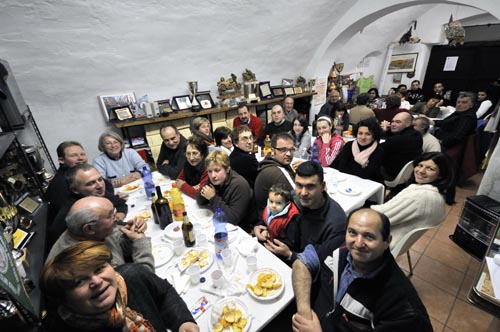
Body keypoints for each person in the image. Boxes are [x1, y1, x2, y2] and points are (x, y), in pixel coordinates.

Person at [292, 208, 432, 332]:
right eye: (352, 232)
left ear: (387, 242)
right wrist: (305, 314)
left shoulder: (401, 305)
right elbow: (302, 262)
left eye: (369, 236)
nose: (358, 244)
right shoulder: (340, 246)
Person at [41, 241, 198, 332]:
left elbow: (163, 294)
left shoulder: (132, 276)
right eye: (79, 281)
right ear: (64, 299)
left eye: (99, 269)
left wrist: (182, 321)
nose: (96, 281)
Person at [255, 161, 346, 265]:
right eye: (299, 185)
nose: (303, 193)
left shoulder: (336, 223)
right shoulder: (294, 197)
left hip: (302, 268)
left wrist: (290, 255)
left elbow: (322, 261)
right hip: (275, 253)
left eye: (310, 186)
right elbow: (274, 212)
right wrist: (261, 226)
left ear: (322, 186)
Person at [47, 196, 154, 273]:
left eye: (114, 212)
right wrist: (140, 242)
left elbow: (118, 247)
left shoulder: (92, 232)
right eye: (110, 216)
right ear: (89, 228)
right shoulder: (82, 261)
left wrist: (128, 236)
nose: (116, 217)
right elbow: (142, 282)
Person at [371, 152, 455, 249]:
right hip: (397, 239)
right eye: (420, 165)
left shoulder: (419, 197)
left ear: (441, 175)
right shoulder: (438, 195)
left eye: (430, 168)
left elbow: (379, 219)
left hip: (383, 243)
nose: (421, 171)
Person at [48, 163, 129, 248]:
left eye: (100, 179)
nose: (100, 186)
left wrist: (117, 219)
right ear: (75, 190)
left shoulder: (95, 193)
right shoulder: (71, 212)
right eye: (91, 183)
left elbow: (121, 203)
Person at [45, 141, 112, 218]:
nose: (80, 158)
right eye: (74, 155)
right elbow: (70, 215)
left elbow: (108, 187)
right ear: (61, 160)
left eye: (82, 154)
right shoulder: (60, 183)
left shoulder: (81, 172)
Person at [196, 150, 255, 231]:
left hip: (242, 228)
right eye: (209, 171)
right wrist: (208, 183)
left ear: (227, 169)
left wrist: (213, 198)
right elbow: (200, 200)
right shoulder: (216, 179)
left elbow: (232, 219)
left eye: (217, 170)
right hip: (222, 221)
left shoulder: (239, 184)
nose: (213, 175)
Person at [254, 133, 298, 220]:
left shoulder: (270, 161)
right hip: (274, 222)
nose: (288, 154)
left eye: (291, 149)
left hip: (267, 216)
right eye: (283, 150)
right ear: (273, 150)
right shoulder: (278, 172)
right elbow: (299, 200)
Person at [333, 117, 383, 182]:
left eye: (368, 134)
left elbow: (366, 175)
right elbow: (341, 167)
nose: (363, 137)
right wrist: (360, 169)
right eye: (360, 133)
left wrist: (350, 164)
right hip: (348, 180)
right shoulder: (349, 145)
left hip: (371, 183)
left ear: (374, 136)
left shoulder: (378, 151)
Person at [380, 112, 423, 181]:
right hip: (408, 174)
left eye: (398, 122)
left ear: (408, 124)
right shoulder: (417, 134)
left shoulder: (398, 140)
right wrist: (387, 131)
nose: (393, 124)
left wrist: (382, 132)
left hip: (391, 174)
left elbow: (377, 149)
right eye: (392, 121)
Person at [257, 183, 300, 250]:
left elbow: (291, 242)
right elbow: (262, 220)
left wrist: (272, 241)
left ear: (286, 204)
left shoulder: (291, 219)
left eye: (279, 203)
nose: (273, 205)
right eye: (271, 201)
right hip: (266, 241)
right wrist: (263, 230)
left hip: (277, 248)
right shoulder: (269, 207)